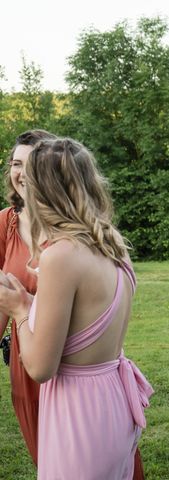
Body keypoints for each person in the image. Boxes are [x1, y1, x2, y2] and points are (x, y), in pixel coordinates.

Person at [0, 138, 153, 479]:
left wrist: (21, 308)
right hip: (113, 400)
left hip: (78, 412)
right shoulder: (111, 242)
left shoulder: (61, 256)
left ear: (44, 190)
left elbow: (40, 367)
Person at [0, 129, 56, 465]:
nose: (22, 173)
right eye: (16, 164)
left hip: (71, 362)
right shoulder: (4, 224)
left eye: (32, 164)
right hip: (25, 366)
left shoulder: (72, 226)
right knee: (47, 465)